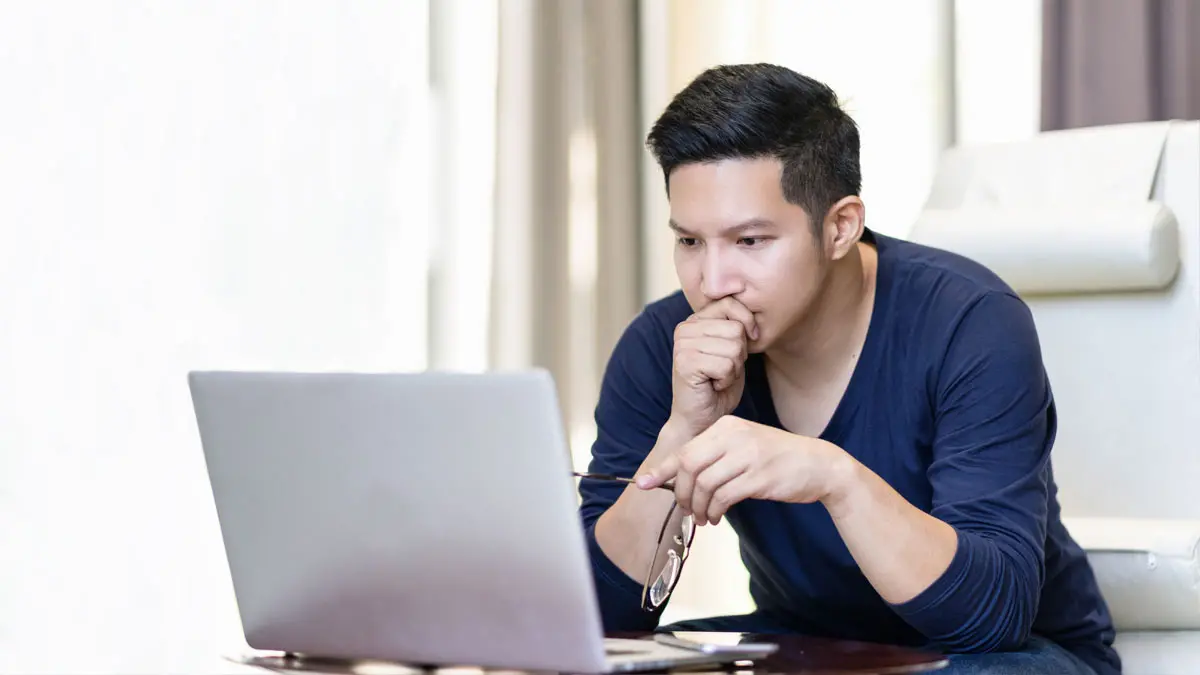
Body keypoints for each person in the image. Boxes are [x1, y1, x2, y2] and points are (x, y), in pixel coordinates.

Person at [576, 63, 1120, 675]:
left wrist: (834, 477)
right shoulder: (662, 346)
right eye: (690, 242)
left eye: (750, 241)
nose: (713, 282)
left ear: (840, 226)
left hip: (1002, 655)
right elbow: (594, 622)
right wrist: (682, 431)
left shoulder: (971, 323)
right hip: (812, 644)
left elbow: (991, 618)